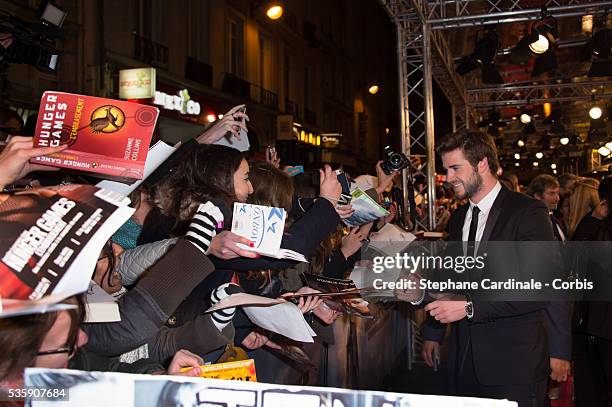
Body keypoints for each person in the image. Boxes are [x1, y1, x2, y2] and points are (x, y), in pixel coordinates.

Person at [420, 129, 554, 407]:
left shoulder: (528, 212)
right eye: (446, 169)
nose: (448, 178)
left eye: (456, 167)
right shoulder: (458, 218)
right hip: (462, 359)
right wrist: (431, 329)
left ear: (482, 163)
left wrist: (469, 307)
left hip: (513, 362)